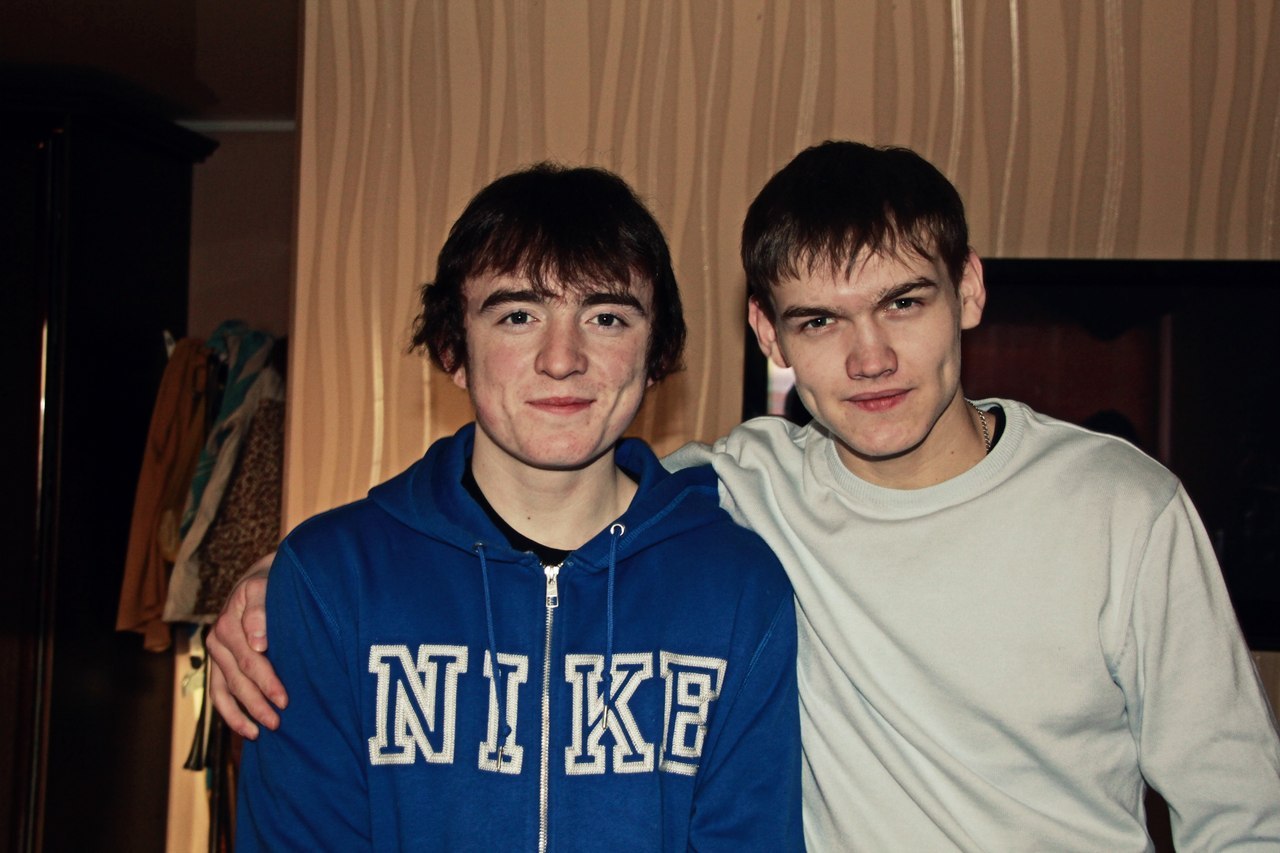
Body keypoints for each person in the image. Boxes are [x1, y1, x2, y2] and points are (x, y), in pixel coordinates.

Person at [213, 143, 1280, 850]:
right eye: (819, 320)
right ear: (768, 335)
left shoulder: (1121, 509)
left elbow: (1243, 812)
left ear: (967, 289)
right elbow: (550, 480)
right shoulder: (748, 488)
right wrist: (293, 573)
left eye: (903, 302)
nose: (869, 357)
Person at [228, 163, 803, 852]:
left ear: (656, 354)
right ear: (453, 348)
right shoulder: (331, 580)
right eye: (518, 316)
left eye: (607, 318)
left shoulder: (737, 588)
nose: (562, 359)